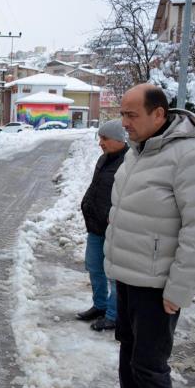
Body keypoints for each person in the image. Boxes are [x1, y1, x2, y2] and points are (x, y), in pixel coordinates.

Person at [105, 83, 195, 388]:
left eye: (131, 115)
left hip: (157, 288)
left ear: (158, 114)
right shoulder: (139, 151)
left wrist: (178, 290)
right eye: (122, 114)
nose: (124, 122)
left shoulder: (193, 156)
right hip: (128, 278)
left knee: (150, 368)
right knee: (128, 355)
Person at [77, 120, 128, 331]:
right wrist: (86, 205)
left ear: (118, 139)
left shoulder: (129, 163)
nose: (101, 143)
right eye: (100, 138)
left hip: (114, 229)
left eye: (105, 139)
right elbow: (95, 186)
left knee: (113, 273)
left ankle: (113, 315)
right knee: (94, 267)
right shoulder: (103, 159)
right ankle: (100, 306)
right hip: (95, 226)